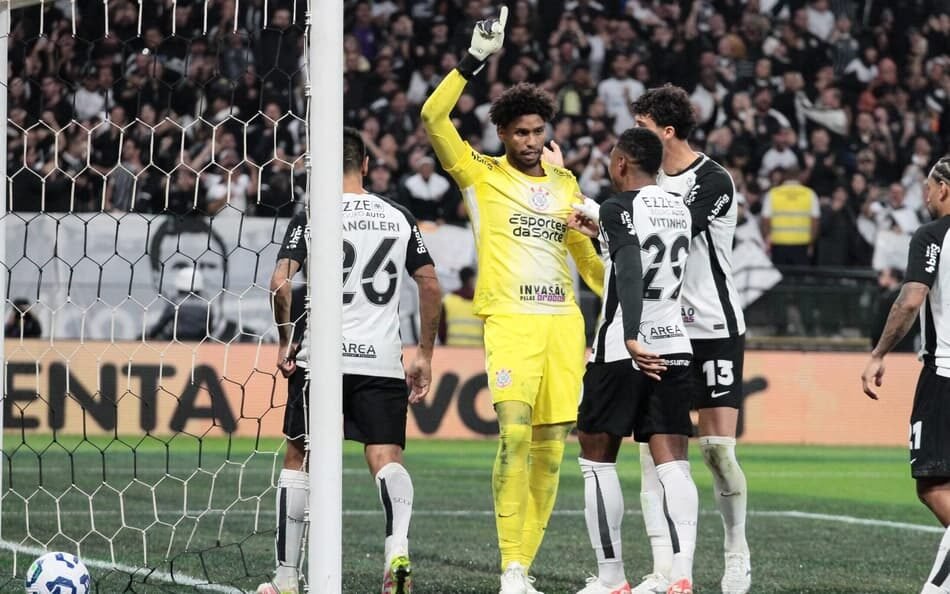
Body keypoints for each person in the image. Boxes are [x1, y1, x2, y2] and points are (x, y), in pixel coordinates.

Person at [421, 7, 605, 593]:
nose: (531, 142)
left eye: (538, 132)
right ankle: (511, 568)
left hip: (563, 325)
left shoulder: (567, 185)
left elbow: (586, 263)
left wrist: (628, 291)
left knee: (552, 454)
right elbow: (432, 116)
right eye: (521, 133)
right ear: (503, 134)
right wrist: (473, 60)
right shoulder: (479, 173)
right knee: (515, 437)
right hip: (510, 322)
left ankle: (522, 569)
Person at [257, 128, 442, 594]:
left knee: (300, 457)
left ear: (319, 165)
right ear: (365, 165)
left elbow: (280, 281)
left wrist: (286, 340)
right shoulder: (397, 215)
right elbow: (430, 284)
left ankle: (284, 580)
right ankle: (396, 550)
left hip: (321, 359)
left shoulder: (314, 212)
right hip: (379, 360)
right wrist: (423, 354)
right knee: (385, 458)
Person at [631, 85, 751, 594]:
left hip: (715, 329)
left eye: (641, 127)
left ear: (667, 130)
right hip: (665, 329)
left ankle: (736, 552)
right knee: (652, 451)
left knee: (718, 450)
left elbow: (677, 228)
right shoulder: (645, 179)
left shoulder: (713, 180)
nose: (634, 137)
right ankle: (664, 568)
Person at [569, 128, 699, 594]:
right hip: (676, 345)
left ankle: (611, 578)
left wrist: (629, 334)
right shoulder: (678, 207)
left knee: (596, 459)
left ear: (622, 163)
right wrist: (603, 236)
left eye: (611, 159)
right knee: (673, 464)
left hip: (625, 351)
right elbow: (639, 250)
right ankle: (681, 575)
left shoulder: (617, 206)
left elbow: (630, 264)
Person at [862, 157, 950, 594]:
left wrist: (879, 353)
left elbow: (911, 300)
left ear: (945, 189)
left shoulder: (932, 235)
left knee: (932, 483)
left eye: (929, 187)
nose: (925, 195)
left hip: (945, 375)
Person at [760, 166, 821, 266]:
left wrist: (767, 238)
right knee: (800, 278)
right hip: (802, 244)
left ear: (784, 177)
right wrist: (811, 243)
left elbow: (765, 220)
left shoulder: (773, 194)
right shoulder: (809, 194)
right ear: (800, 176)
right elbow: (815, 222)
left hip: (778, 244)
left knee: (781, 277)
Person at [145, 267, 212, 341]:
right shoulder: (205, 303)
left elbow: (162, 322)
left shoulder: (175, 302)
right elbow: (209, 327)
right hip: (200, 341)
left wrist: (151, 335)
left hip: (178, 341)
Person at [438, 266, 484, 347]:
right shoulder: (481, 301)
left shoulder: (448, 300)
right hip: (477, 351)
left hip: (453, 349)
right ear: (472, 279)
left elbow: (441, 329)